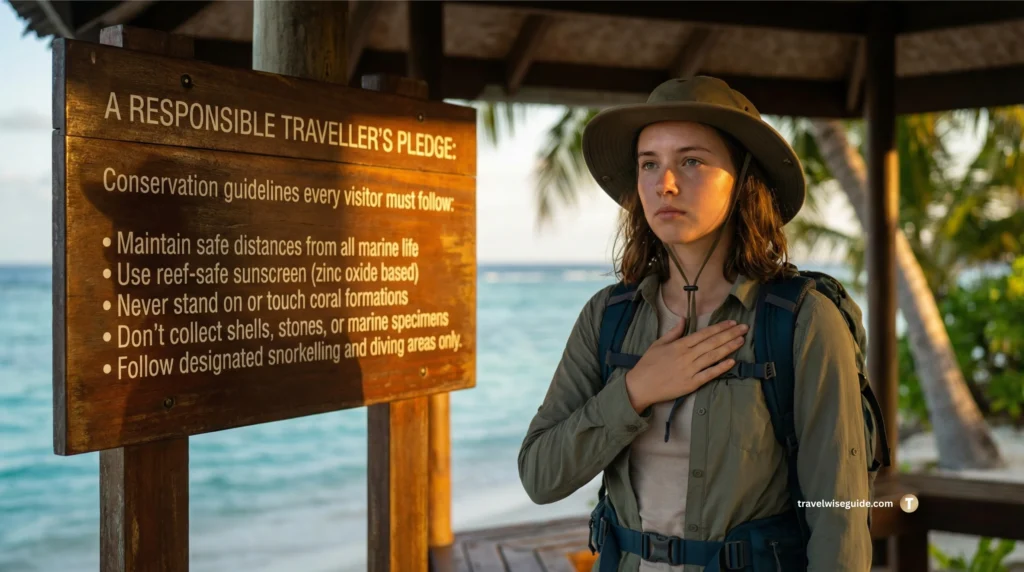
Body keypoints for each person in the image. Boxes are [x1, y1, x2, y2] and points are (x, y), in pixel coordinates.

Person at [517, 76, 872, 572]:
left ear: (745, 176)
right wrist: (637, 389)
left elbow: (840, 519)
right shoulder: (608, 316)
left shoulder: (803, 320)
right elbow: (539, 476)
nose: (665, 183)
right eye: (649, 164)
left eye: (691, 161)